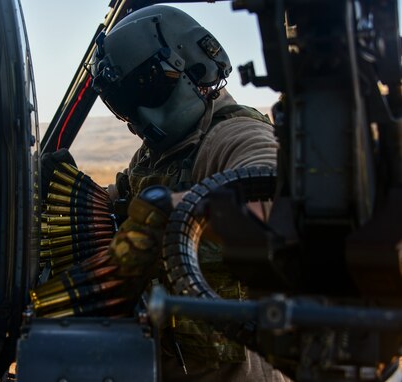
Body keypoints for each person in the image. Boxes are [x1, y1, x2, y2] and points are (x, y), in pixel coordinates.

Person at [91, 5, 290, 382]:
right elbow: (119, 197)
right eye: (124, 102)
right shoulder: (158, 154)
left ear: (194, 67)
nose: (139, 116)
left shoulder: (235, 137)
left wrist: (175, 210)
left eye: (146, 88)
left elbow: (273, 197)